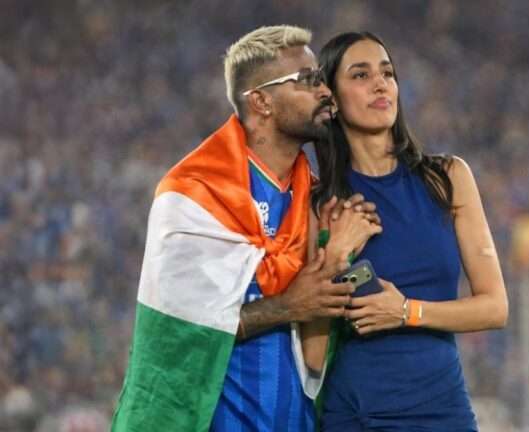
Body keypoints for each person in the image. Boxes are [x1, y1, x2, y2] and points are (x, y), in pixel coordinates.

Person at [111, 25, 381, 431]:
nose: (325, 91)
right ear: (262, 102)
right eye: (307, 80)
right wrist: (289, 304)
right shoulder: (193, 194)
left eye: (321, 79)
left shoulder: (316, 203)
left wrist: (335, 254)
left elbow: (316, 346)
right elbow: (180, 333)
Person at [303, 31, 509, 431]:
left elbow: (495, 307)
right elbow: (312, 355)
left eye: (387, 73)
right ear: (331, 99)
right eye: (360, 75)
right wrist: (334, 257)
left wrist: (405, 311)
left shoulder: (448, 178)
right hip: (355, 416)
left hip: (443, 411)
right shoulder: (318, 204)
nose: (381, 84)